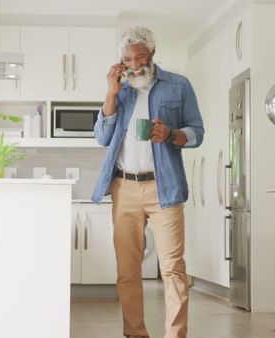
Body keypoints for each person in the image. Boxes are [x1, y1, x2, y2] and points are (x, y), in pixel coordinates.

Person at [91, 26, 205, 338]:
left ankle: (175, 335)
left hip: (163, 187)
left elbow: (196, 132)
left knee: (172, 269)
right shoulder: (121, 90)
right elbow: (102, 137)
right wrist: (110, 94)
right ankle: (135, 333)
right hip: (124, 187)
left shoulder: (178, 86)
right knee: (127, 272)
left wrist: (171, 134)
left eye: (139, 56)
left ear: (152, 54)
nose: (134, 64)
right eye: (127, 59)